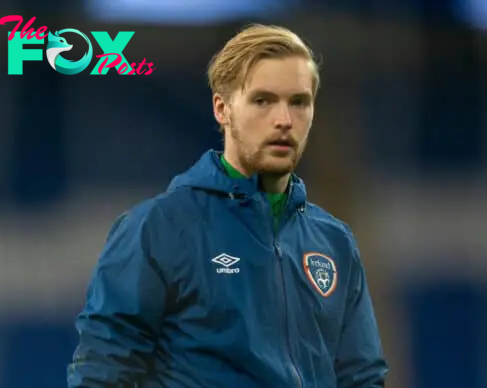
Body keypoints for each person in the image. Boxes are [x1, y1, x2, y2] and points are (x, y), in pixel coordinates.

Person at [67, 23, 388, 387]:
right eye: (263, 100)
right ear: (223, 108)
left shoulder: (335, 242)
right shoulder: (159, 228)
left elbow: (361, 377)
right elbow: (103, 369)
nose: (284, 120)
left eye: (299, 102)